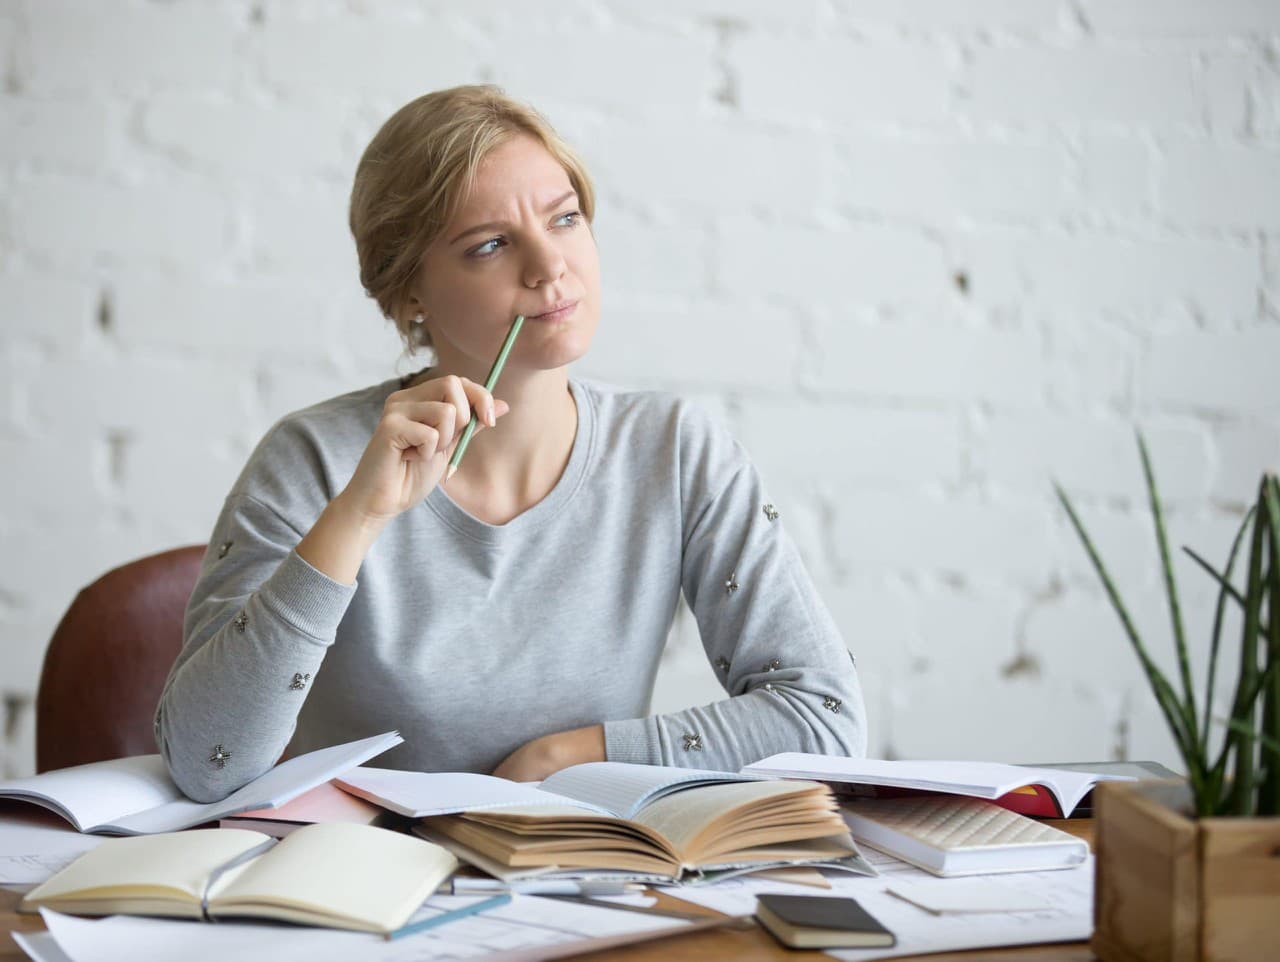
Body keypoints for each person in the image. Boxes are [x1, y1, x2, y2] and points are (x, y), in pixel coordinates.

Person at [154, 85, 867, 804]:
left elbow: (825, 719)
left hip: (577, 864)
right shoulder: (311, 458)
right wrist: (358, 517)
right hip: (363, 871)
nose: (549, 266)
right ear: (409, 292)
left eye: (565, 218)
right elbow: (206, 763)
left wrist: (569, 756)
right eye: (490, 245)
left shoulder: (677, 451)